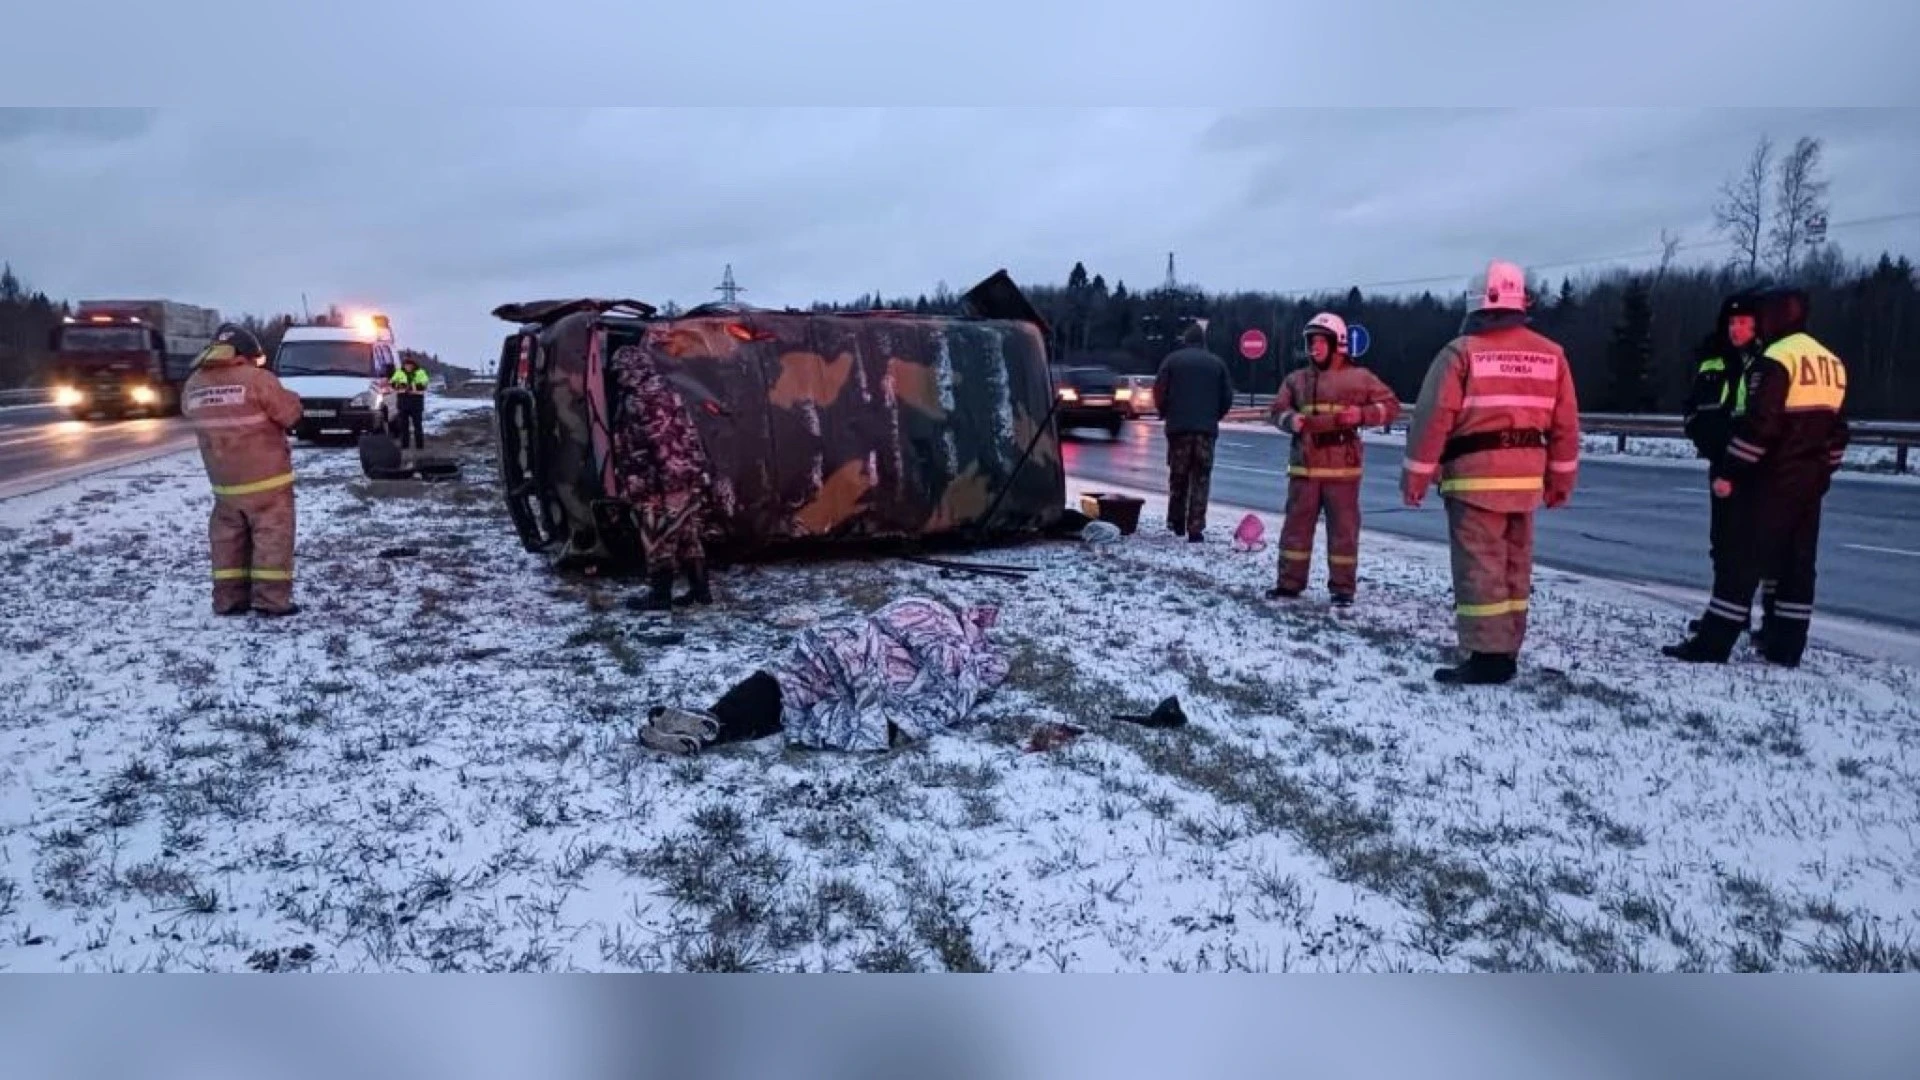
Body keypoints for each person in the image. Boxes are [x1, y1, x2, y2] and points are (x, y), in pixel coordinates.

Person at [1402, 260, 1581, 685]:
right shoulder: (1551, 355)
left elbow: (1433, 419)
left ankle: (1487, 655)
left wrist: (1416, 476)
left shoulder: (1461, 353)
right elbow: (1566, 425)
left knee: (1479, 567)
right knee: (1515, 567)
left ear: (1475, 305)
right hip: (1525, 483)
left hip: (1474, 479)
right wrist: (1560, 481)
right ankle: (1507, 648)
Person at [1663, 287, 1848, 667]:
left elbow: (1760, 426)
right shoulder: (1829, 361)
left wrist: (1730, 471)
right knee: (1795, 564)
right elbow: (1838, 431)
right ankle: (1786, 646)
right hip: (1808, 480)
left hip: (1771, 478)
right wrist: (1823, 473)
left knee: (1740, 561)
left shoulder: (1776, 359)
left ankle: (1712, 645)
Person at [637, 598, 1006, 754]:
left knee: (784, 683)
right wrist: (902, 725)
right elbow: (953, 689)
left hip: (838, 640)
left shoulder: (917, 603)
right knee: (804, 712)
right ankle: (713, 731)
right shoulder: (949, 633)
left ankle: (714, 721)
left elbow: (878, 618)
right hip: (866, 669)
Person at [1267, 312, 1401, 605]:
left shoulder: (1360, 378)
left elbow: (1391, 406)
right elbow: (1276, 411)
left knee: (1343, 532)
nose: (1313, 348)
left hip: (1342, 471)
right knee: (1296, 529)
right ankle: (1289, 582)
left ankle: (1342, 588)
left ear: (1336, 343)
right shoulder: (1297, 380)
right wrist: (1291, 421)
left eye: (1319, 341)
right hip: (1305, 468)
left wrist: (1362, 415)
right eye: (1310, 342)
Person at [179, 324, 305, 617]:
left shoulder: (194, 384)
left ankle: (228, 600)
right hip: (267, 481)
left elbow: (190, 411)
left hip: (224, 484)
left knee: (227, 541)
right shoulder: (257, 380)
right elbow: (289, 414)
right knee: (272, 538)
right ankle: (271, 600)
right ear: (244, 354)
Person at [1682, 289, 1774, 634]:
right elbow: (1694, 406)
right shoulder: (1713, 358)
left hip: (1752, 468)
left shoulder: (1765, 361)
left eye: (1744, 323)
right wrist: (1700, 434)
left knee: (1747, 547)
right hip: (1720, 464)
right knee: (1722, 545)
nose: (1737, 329)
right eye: (1732, 322)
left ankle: (1737, 618)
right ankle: (1722, 613)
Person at [613, 345, 717, 610]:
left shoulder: (641, 399)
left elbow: (656, 443)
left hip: (663, 481)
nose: (618, 376)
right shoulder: (667, 392)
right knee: (687, 535)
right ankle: (700, 591)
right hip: (685, 475)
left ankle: (660, 597)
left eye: (621, 371)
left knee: (658, 536)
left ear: (631, 370)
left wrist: (647, 482)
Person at [1153, 322, 1236, 542]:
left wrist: (1165, 412)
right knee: (1201, 477)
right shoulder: (1217, 364)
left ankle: (1176, 521)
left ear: (1185, 341)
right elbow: (1227, 397)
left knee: (1178, 476)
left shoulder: (1171, 361)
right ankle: (1195, 527)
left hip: (1178, 429)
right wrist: (1213, 416)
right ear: (1203, 342)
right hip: (1205, 431)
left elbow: (1159, 390)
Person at [389, 354, 430, 449]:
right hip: (403, 402)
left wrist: (409, 387)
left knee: (417, 426)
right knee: (403, 427)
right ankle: (405, 446)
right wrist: (402, 386)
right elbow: (392, 383)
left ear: (414, 365)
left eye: (410, 365)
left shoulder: (420, 372)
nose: (408, 367)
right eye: (406, 365)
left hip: (416, 403)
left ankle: (420, 447)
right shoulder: (399, 372)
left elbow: (424, 385)